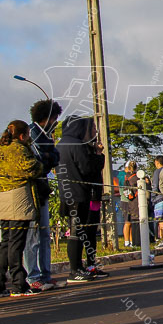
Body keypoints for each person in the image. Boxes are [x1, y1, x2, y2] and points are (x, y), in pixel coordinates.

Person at [0, 120, 43, 298]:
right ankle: (19, 283)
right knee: (16, 243)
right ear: (22, 135)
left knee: (5, 242)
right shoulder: (19, 148)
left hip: (1, 195)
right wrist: (39, 162)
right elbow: (32, 169)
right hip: (18, 197)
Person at [56, 115, 105, 282]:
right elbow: (87, 169)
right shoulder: (77, 145)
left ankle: (78, 267)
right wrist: (98, 156)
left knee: (76, 232)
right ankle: (75, 269)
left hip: (67, 193)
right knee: (77, 233)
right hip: (80, 194)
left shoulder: (61, 144)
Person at [24, 99, 62, 291]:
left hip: (43, 187)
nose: (56, 121)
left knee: (45, 234)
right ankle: (33, 276)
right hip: (31, 190)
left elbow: (55, 157)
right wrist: (49, 157)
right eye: (54, 117)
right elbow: (39, 160)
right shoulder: (32, 133)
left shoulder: (47, 135)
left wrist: (49, 156)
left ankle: (46, 274)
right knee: (32, 236)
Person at [151, 156, 163, 250]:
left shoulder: (157, 172)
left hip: (160, 199)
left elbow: (155, 186)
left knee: (161, 220)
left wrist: (153, 198)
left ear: (157, 162)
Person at [120, 161, 139, 248]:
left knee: (129, 222)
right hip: (128, 201)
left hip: (127, 200)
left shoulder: (125, 177)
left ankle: (130, 241)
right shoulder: (132, 177)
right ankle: (127, 241)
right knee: (128, 222)